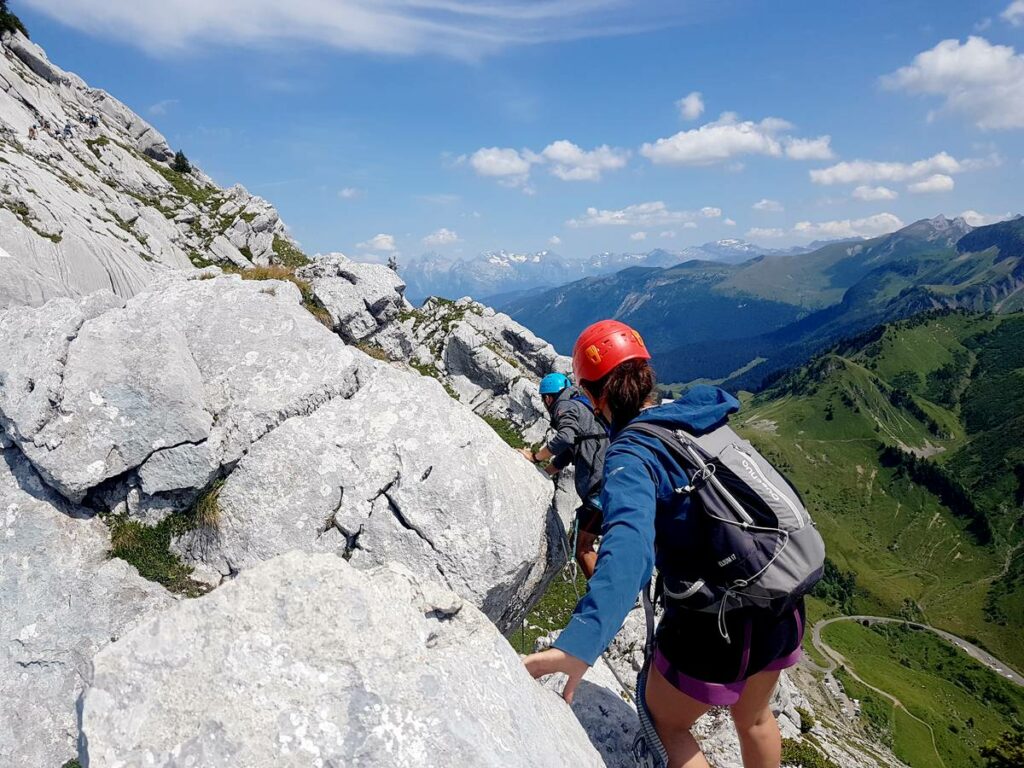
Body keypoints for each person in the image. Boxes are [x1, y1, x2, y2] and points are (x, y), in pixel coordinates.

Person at [524, 320, 804, 768]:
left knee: (667, 723)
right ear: (647, 375)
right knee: (753, 718)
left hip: (718, 621)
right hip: (779, 595)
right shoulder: (698, 417)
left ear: (594, 396)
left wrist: (580, 643)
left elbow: (630, 550)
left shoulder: (632, 456)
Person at [519, 371, 609, 579]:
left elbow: (565, 438)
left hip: (600, 487)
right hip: (610, 479)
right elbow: (568, 453)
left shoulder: (564, 406)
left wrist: (535, 457)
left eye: (545, 400)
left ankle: (604, 595)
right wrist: (545, 473)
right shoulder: (584, 405)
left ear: (549, 397)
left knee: (581, 545)